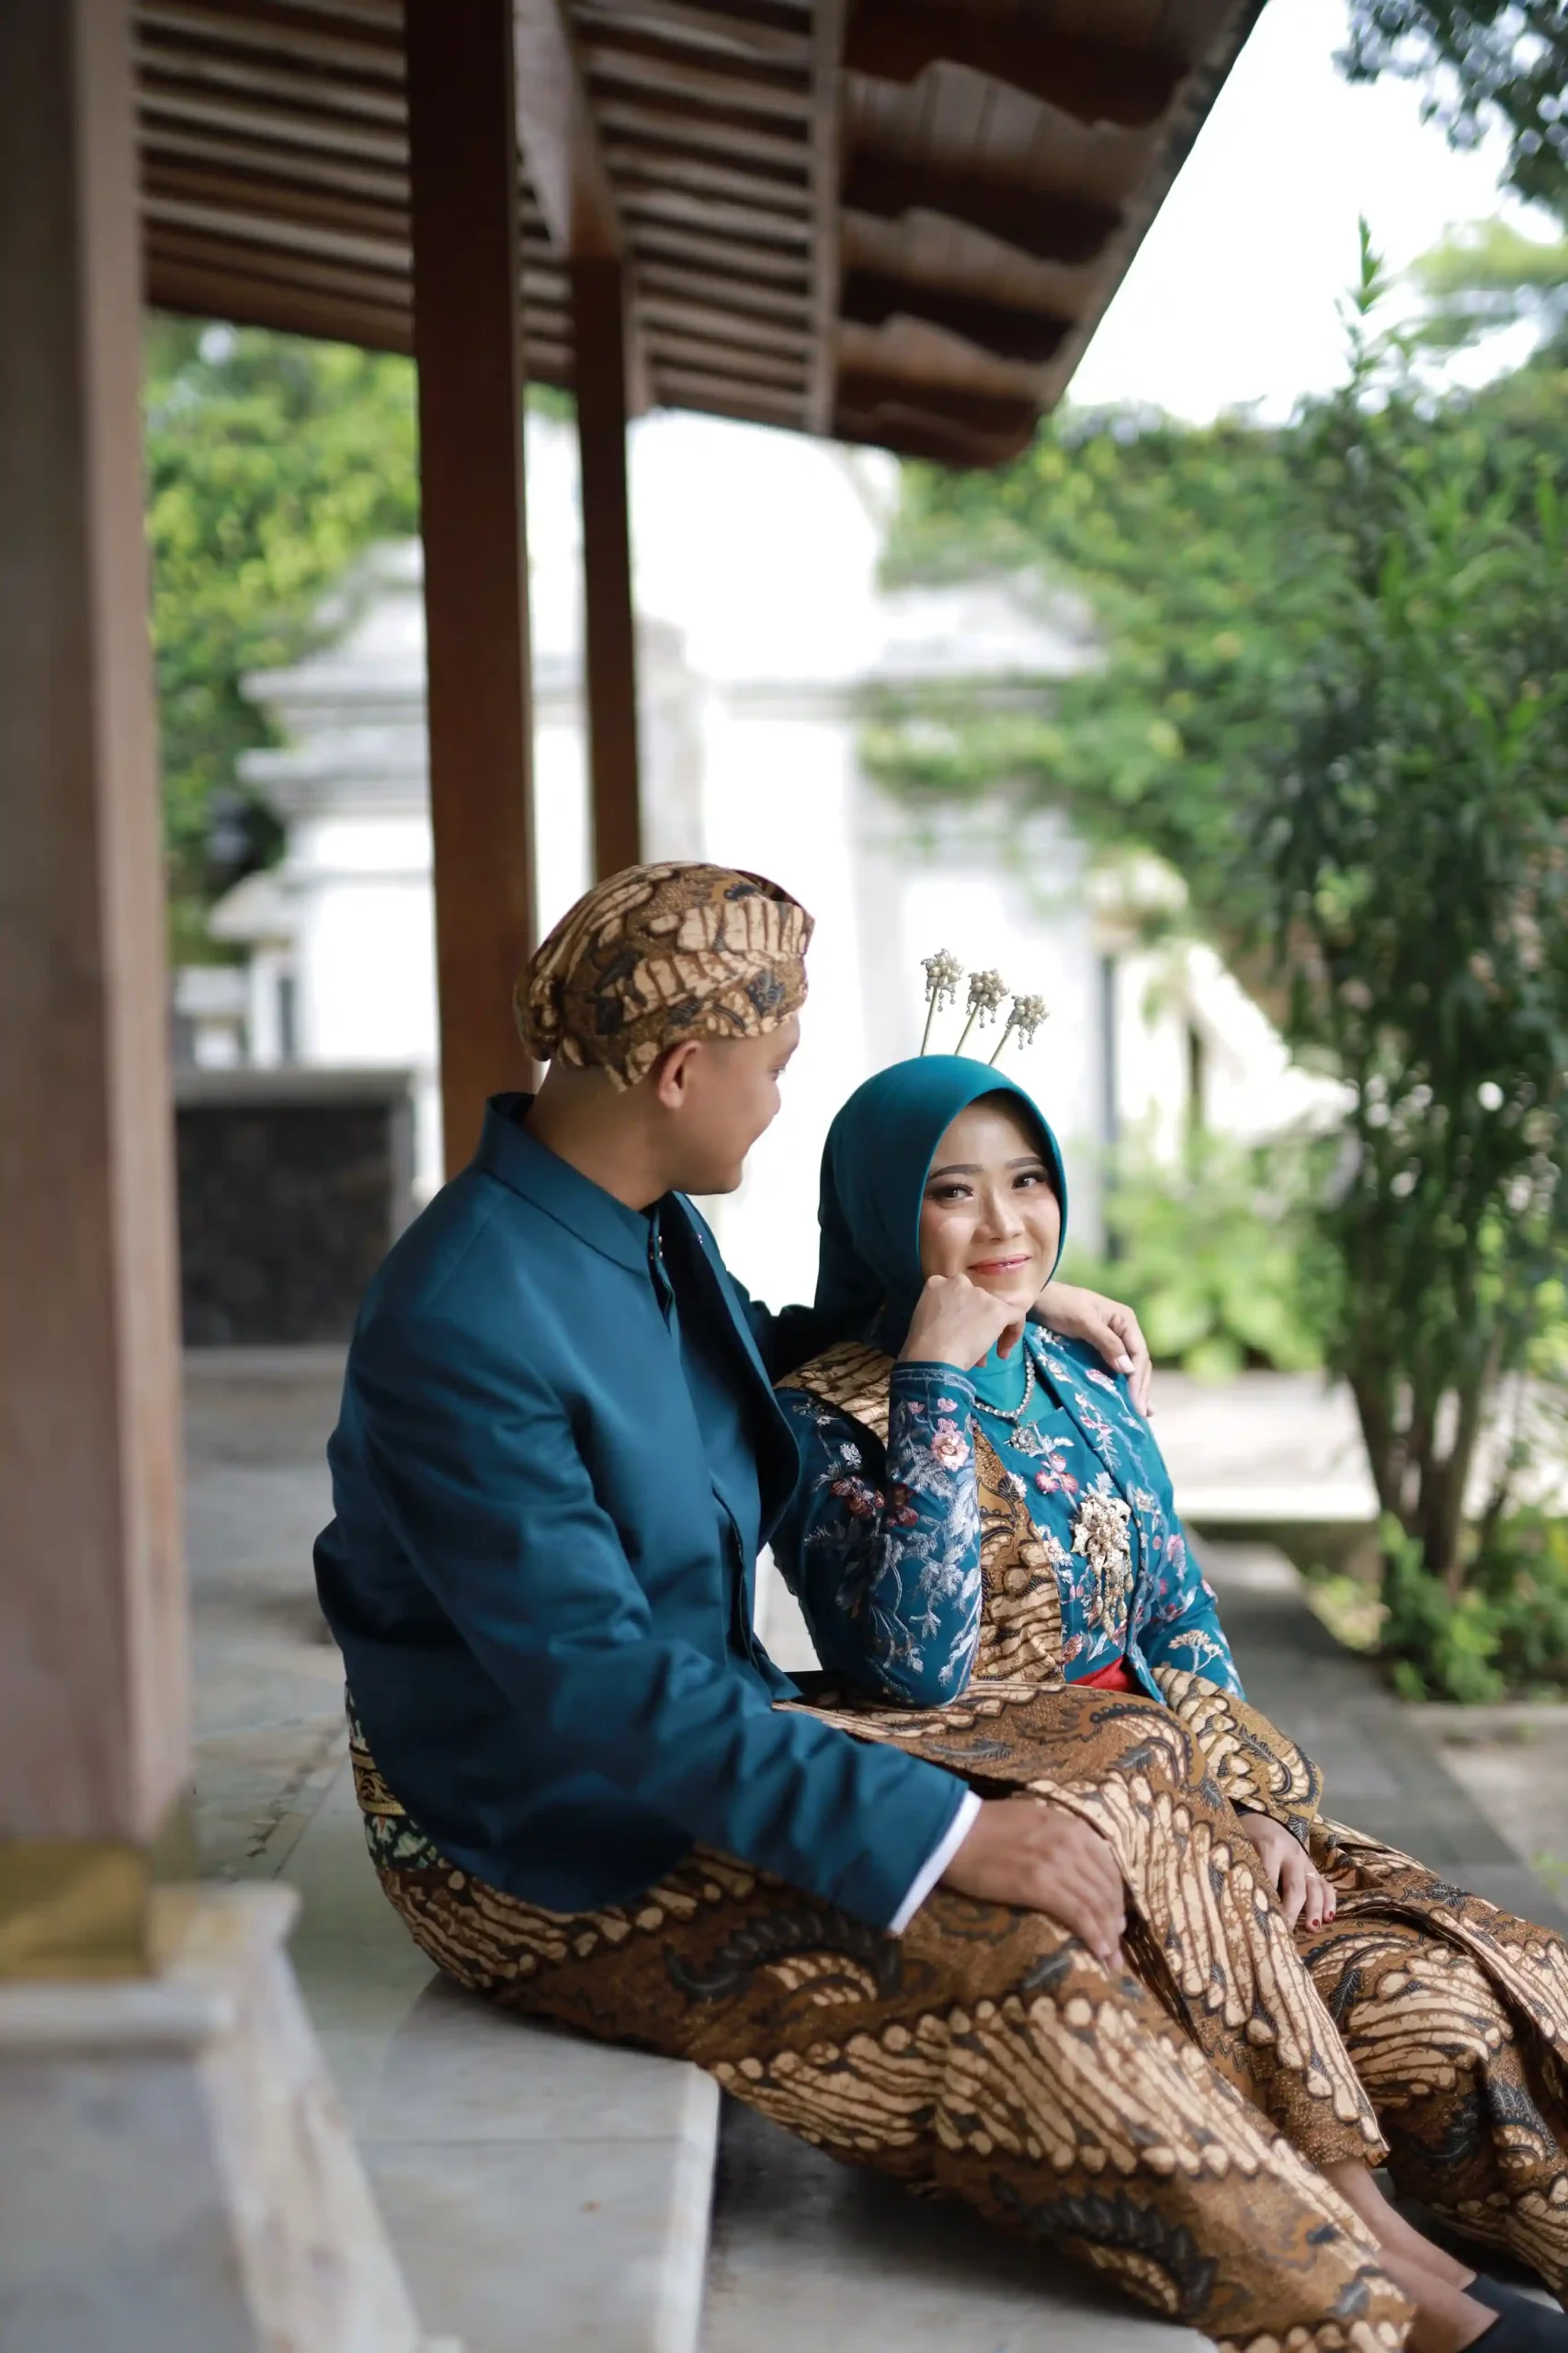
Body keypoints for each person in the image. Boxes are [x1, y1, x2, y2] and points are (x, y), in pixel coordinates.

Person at [318, 862, 1512, 2353]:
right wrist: (946, 1832)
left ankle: (1388, 2234)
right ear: (680, 1071)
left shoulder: (626, 1221)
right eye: (772, 1067)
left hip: (688, 1731)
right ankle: (1373, 2312)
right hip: (531, 1830)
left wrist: (994, 1296)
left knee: (1125, 1757)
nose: (776, 1103)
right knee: (1013, 1957)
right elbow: (598, 1687)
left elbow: (735, 1361)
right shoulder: (465, 1316)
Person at [771, 1050, 1568, 2344]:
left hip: (1188, 1797)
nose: (1004, 1221)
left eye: (1028, 1181)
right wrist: (931, 1382)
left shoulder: (1082, 1380)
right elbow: (916, 1667)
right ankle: (1396, 2266)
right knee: (1341, 2026)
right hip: (1040, 1830)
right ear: (878, 1215)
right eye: (950, 1193)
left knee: (1451, 2007)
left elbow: (1178, 1618)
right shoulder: (826, 1421)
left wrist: (1251, 1807)